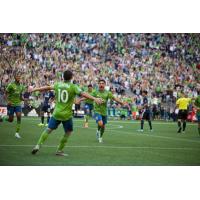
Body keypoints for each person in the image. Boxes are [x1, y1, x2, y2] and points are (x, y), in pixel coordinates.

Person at [29, 70, 103, 156]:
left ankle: (38, 145)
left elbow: (47, 88)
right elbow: (83, 93)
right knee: (68, 131)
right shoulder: (73, 86)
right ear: (71, 77)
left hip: (56, 113)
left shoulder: (58, 84)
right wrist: (95, 98)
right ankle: (59, 150)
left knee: (48, 130)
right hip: (66, 115)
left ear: (63, 77)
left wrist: (34, 89)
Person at [0, 72, 26, 138]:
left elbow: (20, 97)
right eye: (17, 77)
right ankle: (3, 117)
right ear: (15, 77)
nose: (19, 78)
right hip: (11, 104)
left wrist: (24, 99)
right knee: (11, 120)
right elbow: (5, 94)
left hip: (18, 104)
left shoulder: (21, 86)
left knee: (19, 116)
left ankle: (17, 133)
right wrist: (8, 101)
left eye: (19, 77)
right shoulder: (11, 85)